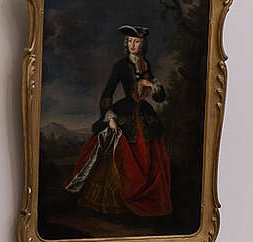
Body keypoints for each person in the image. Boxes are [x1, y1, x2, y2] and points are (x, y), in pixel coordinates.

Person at [66, 24, 173, 217]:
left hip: (145, 114)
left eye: (136, 41)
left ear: (142, 43)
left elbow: (160, 97)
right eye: (130, 41)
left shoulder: (146, 65)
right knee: (123, 155)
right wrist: (110, 117)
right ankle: (123, 202)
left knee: (150, 155)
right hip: (125, 113)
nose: (132, 45)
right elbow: (108, 93)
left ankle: (146, 196)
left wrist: (151, 84)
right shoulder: (121, 66)